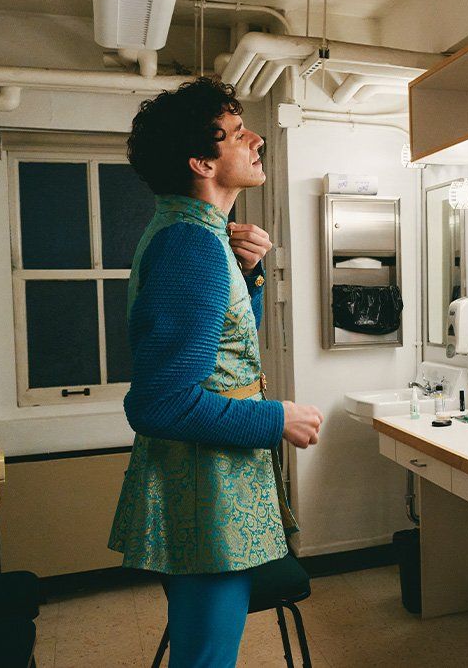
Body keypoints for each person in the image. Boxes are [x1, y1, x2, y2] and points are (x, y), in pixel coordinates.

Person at [109, 77, 323, 667]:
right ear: (202, 162)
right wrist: (273, 417)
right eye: (236, 133)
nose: (255, 139)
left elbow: (229, 350)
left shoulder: (200, 237)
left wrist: (248, 276)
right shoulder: (193, 245)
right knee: (207, 658)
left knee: (205, 649)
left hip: (207, 473)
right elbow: (161, 403)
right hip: (204, 481)